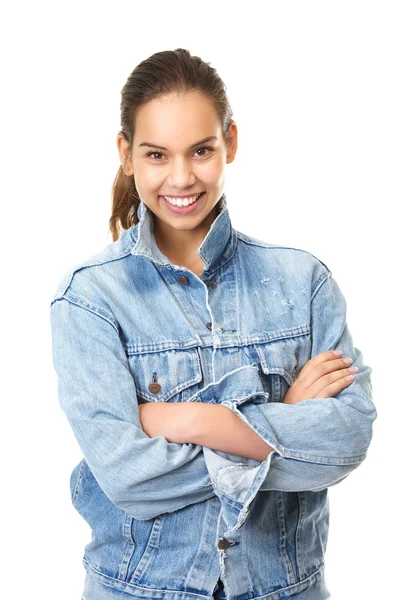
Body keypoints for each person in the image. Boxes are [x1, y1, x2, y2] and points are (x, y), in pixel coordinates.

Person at [49, 48, 377, 600]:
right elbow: (128, 477)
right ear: (126, 154)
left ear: (231, 142)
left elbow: (346, 440)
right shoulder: (89, 299)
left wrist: (194, 421)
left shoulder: (304, 282)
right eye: (157, 154)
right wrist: (283, 421)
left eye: (201, 150)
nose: (181, 177)